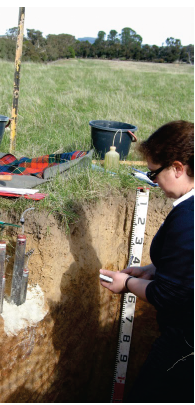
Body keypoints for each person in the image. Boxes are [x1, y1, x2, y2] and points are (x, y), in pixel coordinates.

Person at [99, 120, 194, 403]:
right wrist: (151, 270)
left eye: (154, 174)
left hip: (185, 346)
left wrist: (127, 283)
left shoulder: (188, 220)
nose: (153, 181)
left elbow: (170, 294)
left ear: (177, 168)